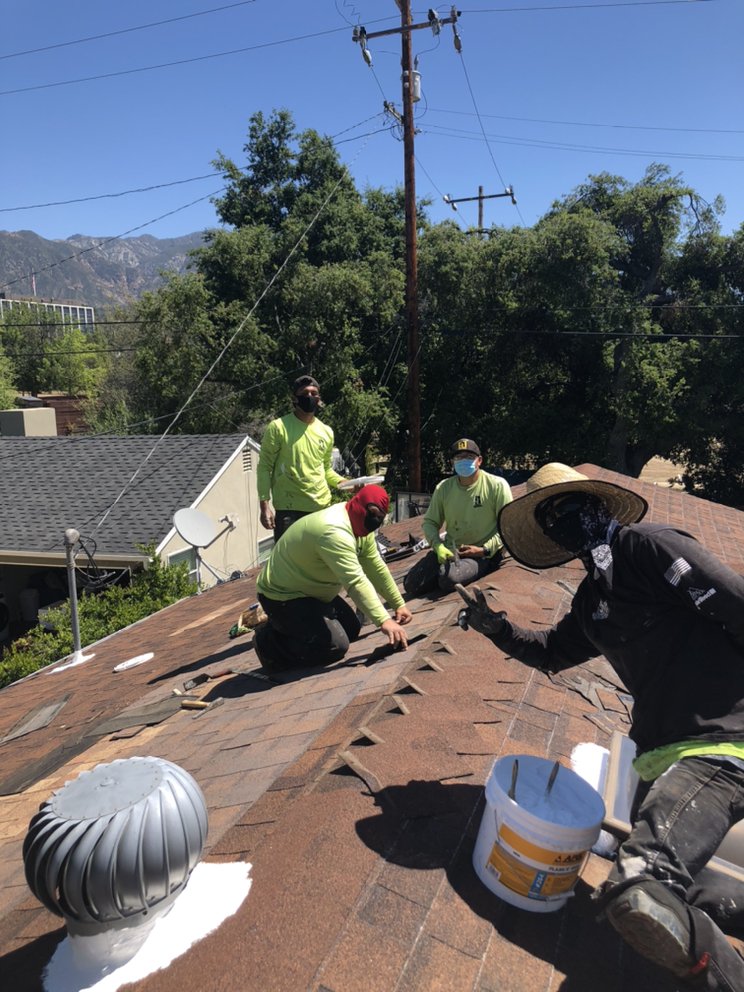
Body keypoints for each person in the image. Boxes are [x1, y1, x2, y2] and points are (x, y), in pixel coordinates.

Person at [457, 462, 744, 991]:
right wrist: (497, 629)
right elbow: (552, 652)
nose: (562, 521)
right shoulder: (593, 604)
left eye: (569, 507)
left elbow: (734, 600)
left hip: (721, 745)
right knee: (689, 892)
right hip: (663, 758)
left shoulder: (647, 548)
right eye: (550, 518)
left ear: (598, 505)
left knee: (641, 884)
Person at [254, 484, 412, 671]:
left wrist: (398, 604)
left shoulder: (360, 527)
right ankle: (268, 642)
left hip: (313, 592)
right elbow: (355, 581)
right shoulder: (333, 531)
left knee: (351, 629)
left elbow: (375, 567)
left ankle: (299, 624)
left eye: (379, 518)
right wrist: (384, 621)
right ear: (358, 505)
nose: (372, 523)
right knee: (334, 647)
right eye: (371, 514)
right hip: (282, 595)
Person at [403, 438, 512, 597]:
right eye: (458, 458)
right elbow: (430, 523)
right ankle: (439, 574)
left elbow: (508, 526)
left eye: (468, 457)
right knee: (410, 585)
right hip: (451, 551)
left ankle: (454, 573)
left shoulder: (497, 486)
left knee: (448, 579)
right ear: (452, 463)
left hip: (483, 553)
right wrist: (438, 546)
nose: (463, 461)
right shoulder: (443, 488)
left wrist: (484, 550)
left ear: (479, 460)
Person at [257, 374, 347, 542]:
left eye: (314, 393)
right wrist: (265, 506)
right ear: (294, 398)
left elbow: (326, 470)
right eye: (305, 393)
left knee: (319, 563)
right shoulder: (278, 427)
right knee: (289, 565)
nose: (310, 397)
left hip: (321, 509)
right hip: (289, 511)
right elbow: (264, 467)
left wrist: (347, 484)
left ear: (319, 398)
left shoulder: (326, 431)